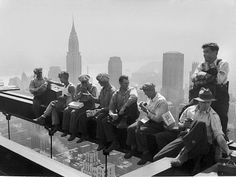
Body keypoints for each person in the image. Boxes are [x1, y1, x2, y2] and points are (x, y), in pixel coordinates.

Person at [153, 88, 232, 168]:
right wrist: (184, 125)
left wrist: (227, 150)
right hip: (185, 138)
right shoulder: (189, 110)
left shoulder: (213, 116)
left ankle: (182, 156)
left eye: (208, 102)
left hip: (201, 143)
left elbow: (219, 136)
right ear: (199, 101)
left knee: (200, 124)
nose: (206, 105)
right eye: (203, 102)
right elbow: (180, 124)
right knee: (157, 157)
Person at [190, 43, 229, 135]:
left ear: (215, 52)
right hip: (203, 95)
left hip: (219, 96)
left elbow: (219, 80)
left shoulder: (223, 63)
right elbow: (193, 78)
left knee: (221, 116)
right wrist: (209, 78)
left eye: (207, 52)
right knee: (190, 110)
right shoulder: (202, 64)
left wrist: (204, 75)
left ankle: (221, 139)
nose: (204, 54)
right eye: (204, 52)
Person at [124, 83, 169, 165]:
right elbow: (149, 115)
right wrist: (142, 120)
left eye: (146, 91)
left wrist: (146, 111)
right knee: (130, 128)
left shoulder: (161, 101)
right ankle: (133, 148)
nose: (145, 93)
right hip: (148, 120)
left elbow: (158, 119)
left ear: (152, 91)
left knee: (140, 130)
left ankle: (146, 153)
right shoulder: (150, 98)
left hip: (157, 125)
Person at [102, 75, 139, 154]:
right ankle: (114, 142)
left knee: (131, 103)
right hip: (120, 114)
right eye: (125, 83)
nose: (127, 85)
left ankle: (129, 148)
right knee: (105, 121)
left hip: (130, 114)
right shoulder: (116, 93)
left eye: (127, 83)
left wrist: (124, 107)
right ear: (120, 83)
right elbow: (111, 107)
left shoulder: (132, 90)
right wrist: (112, 114)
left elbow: (134, 97)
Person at [80, 73, 115, 148]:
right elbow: (99, 101)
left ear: (105, 81)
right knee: (85, 115)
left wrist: (100, 110)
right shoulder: (103, 90)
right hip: (102, 110)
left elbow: (112, 106)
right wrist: (91, 97)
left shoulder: (112, 91)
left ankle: (103, 141)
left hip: (108, 112)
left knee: (100, 119)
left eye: (100, 81)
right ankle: (85, 135)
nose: (99, 83)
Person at [61, 74, 97, 142]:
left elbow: (94, 99)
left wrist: (87, 92)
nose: (83, 84)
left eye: (85, 82)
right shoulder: (78, 86)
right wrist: (80, 94)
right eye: (82, 82)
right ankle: (65, 129)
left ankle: (75, 133)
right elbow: (74, 98)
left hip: (89, 105)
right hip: (80, 104)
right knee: (66, 111)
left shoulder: (93, 87)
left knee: (74, 113)